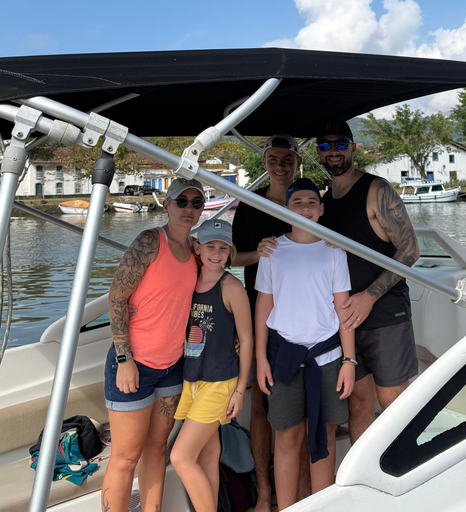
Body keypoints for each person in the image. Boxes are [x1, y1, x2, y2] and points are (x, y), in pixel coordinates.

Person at [102, 178, 205, 512]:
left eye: (197, 203)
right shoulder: (150, 241)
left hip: (172, 366)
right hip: (135, 363)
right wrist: (124, 358)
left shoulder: (197, 251)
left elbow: (226, 263)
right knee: (125, 458)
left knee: (157, 448)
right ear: (167, 205)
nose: (189, 209)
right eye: (182, 201)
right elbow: (117, 296)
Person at [315, 119, 420, 444]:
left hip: (385, 313)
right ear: (318, 153)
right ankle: (364, 473)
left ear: (353, 148)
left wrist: (369, 296)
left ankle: (407, 467)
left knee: (392, 401)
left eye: (340, 144)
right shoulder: (326, 202)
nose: (333, 151)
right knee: (358, 402)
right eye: (325, 145)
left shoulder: (377, 190)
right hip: (347, 320)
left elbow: (410, 251)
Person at [254, 178, 356, 511]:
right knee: (286, 437)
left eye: (312, 202)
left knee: (324, 435)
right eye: (296, 203)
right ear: (285, 209)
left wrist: (349, 361)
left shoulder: (334, 250)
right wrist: (261, 359)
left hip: (327, 357)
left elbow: (343, 308)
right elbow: (264, 306)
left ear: (322, 209)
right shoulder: (272, 251)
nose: (305, 208)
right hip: (283, 356)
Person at [231, 133, 306, 511]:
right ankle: (263, 493)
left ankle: (304, 494)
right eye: (273, 159)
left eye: (287, 159)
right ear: (264, 163)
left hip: (305, 314)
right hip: (260, 312)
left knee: (302, 405)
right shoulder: (249, 204)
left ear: (297, 162)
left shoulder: (308, 201)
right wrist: (257, 254)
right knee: (260, 404)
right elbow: (233, 257)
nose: (280, 166)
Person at [170, 218, 253, 512]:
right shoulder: (188, 281)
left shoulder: (232, 287)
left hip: (219, 382)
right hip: (191, 379)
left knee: (180, 457)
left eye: (223, 248)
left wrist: (240, 390)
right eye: (210, 246)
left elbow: (247, 338)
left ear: (230, 252)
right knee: (207, 455)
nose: (216, 253)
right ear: (197, 248)